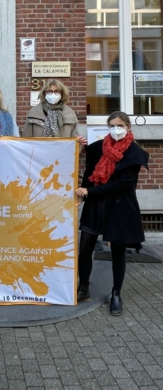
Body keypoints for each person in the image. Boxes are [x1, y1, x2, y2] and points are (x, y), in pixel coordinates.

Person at [76, 111, 149, 316]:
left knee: (118, 252)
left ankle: (116, 293)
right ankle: (84, 288)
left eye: (119, 125)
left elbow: (121, 185)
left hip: (119, 207)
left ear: (127, 127)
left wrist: (89, 192)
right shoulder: (99, 147)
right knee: (85, 248)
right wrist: (77, 144)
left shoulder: (134, 153)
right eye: (112, 126)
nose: (115, 129)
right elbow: (88, 168)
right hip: (96, 206)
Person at [22, 79, 87, 146]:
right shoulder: (34, 112)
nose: (53, 95)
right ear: (44, 93)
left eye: (56, 91)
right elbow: (26, 139)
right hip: (39, 153)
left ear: (62, 93)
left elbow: (75, 142)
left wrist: (79, 142)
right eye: (50, 91)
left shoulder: (70, 113)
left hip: (61, 153)